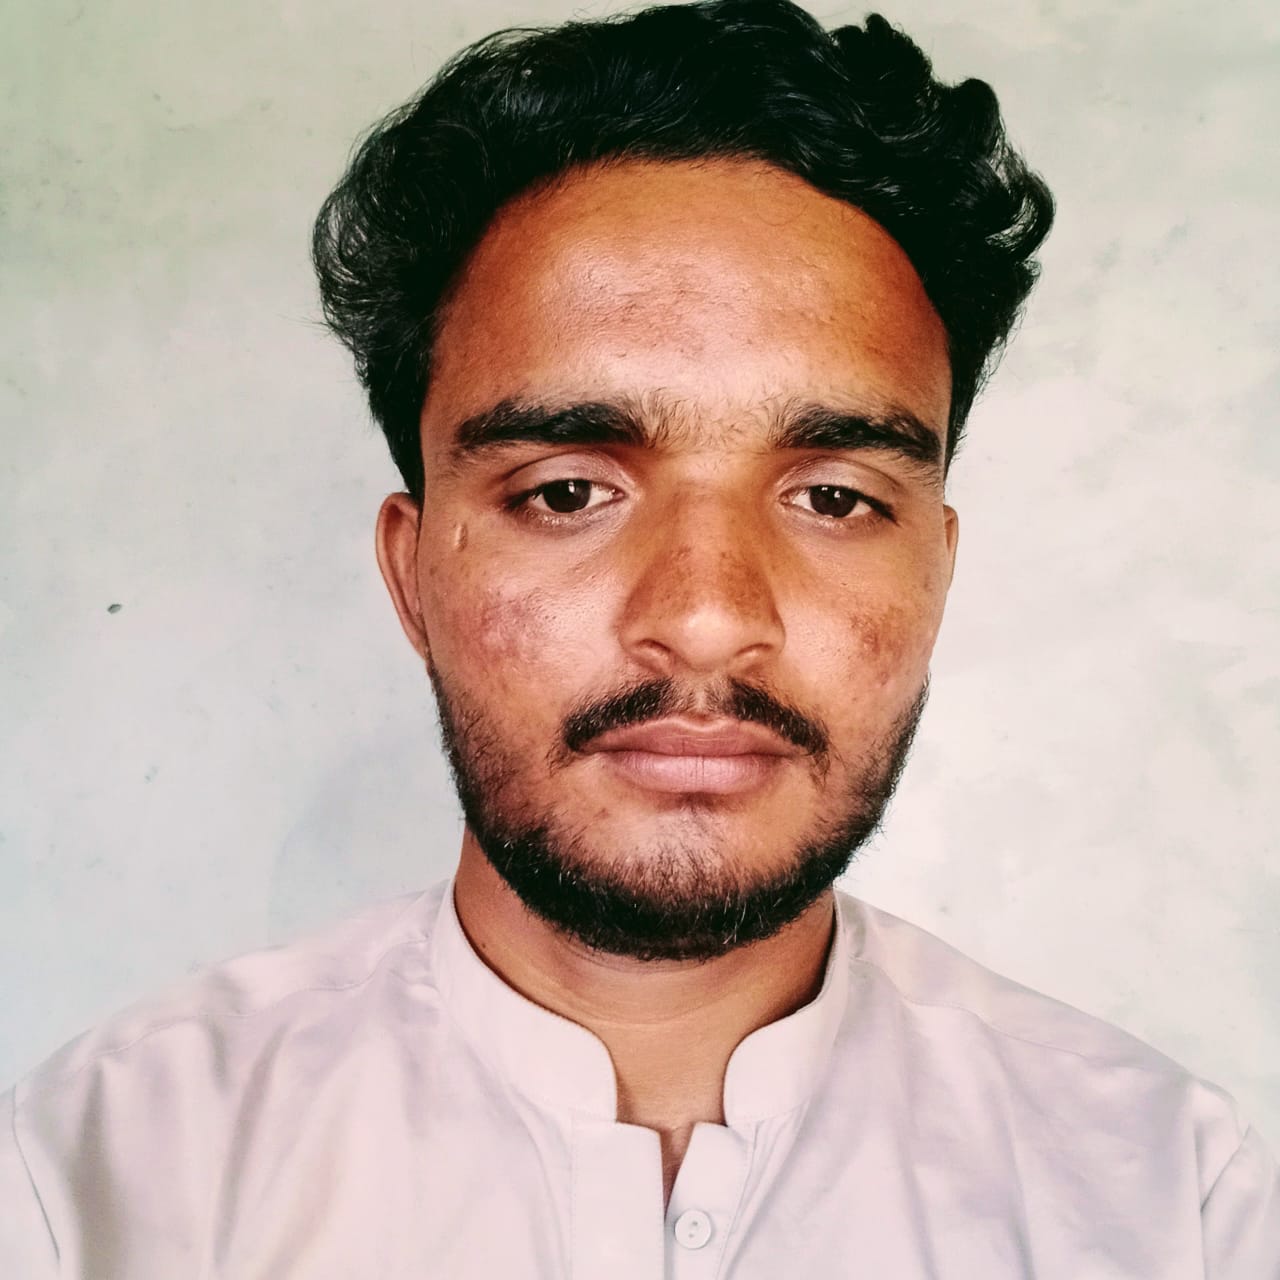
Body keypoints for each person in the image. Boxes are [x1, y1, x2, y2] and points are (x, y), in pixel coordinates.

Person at [2, 0, 1276, 1274]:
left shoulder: (1178, 1205)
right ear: (411, 575)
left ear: (934, 575)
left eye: (833, 497)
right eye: (567, 490)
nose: (708, 616)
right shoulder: (84, 1185)